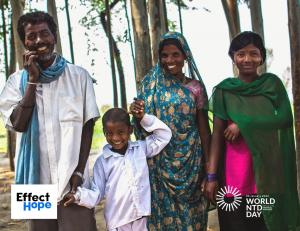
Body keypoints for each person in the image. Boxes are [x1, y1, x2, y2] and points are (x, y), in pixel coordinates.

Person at [0, 11, 100, 230]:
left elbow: (87, 127)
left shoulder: (79, 76)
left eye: (44, 33)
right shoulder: (16, 82)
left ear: (54, 36)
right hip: (34, 185)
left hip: (72, 182)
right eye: (31, 36)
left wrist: (80, 172)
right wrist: (32, 81)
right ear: (24, 42)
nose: (38, 41)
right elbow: (18, 124)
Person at [205, 31, 300, 231]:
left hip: (265, 179)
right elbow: (217, 135)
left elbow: (284, 118)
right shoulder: (225, 90)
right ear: (233, 57)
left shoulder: (271, 85)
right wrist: (212, 176)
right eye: (241, 54)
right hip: (233, 181)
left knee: (263, 225)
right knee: (236, 226)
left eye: (253, 53)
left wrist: (244, 123)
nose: (247, 59)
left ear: (261, 57)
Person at [133, 31, 211, 230]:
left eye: (176, 54)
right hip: (158, 166)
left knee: (192, 221)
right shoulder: (150, 85)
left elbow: (204, 132)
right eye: (165, 55)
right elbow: (140, 126)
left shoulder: (196, 88)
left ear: (185, 55)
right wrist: (137, 115)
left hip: (191, 166)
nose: (170, 60)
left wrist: (210, 172)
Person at [63, 103, 172, 231]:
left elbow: (164, 135)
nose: (115, 138)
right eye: (109, 133)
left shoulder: (140, 149)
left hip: (140, 219)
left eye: (121, 132)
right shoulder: (102, 162)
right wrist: (77, 196)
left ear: (130, 130)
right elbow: (97, 194)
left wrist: (143, 118)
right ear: (104, 132)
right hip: (118, 223)